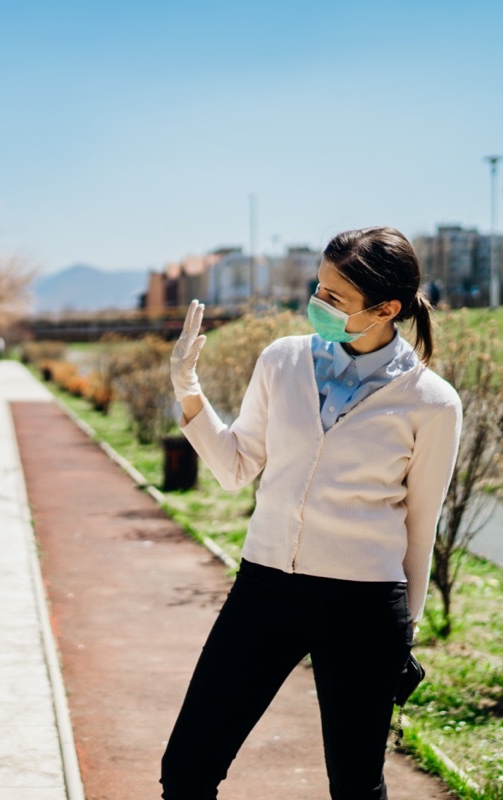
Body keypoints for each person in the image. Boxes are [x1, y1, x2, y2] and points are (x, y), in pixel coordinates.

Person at [161, 226, 462, 800]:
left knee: (354, 784)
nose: (317, 306)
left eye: (335, 298)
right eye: (318, 290)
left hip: (364, 604)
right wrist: (189, 388)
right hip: (265, 586)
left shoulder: (432, 402)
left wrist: (407, 629)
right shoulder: (282, 361)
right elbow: (235, 467)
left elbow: (421, 527)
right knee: (188, 767)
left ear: (386, 309)